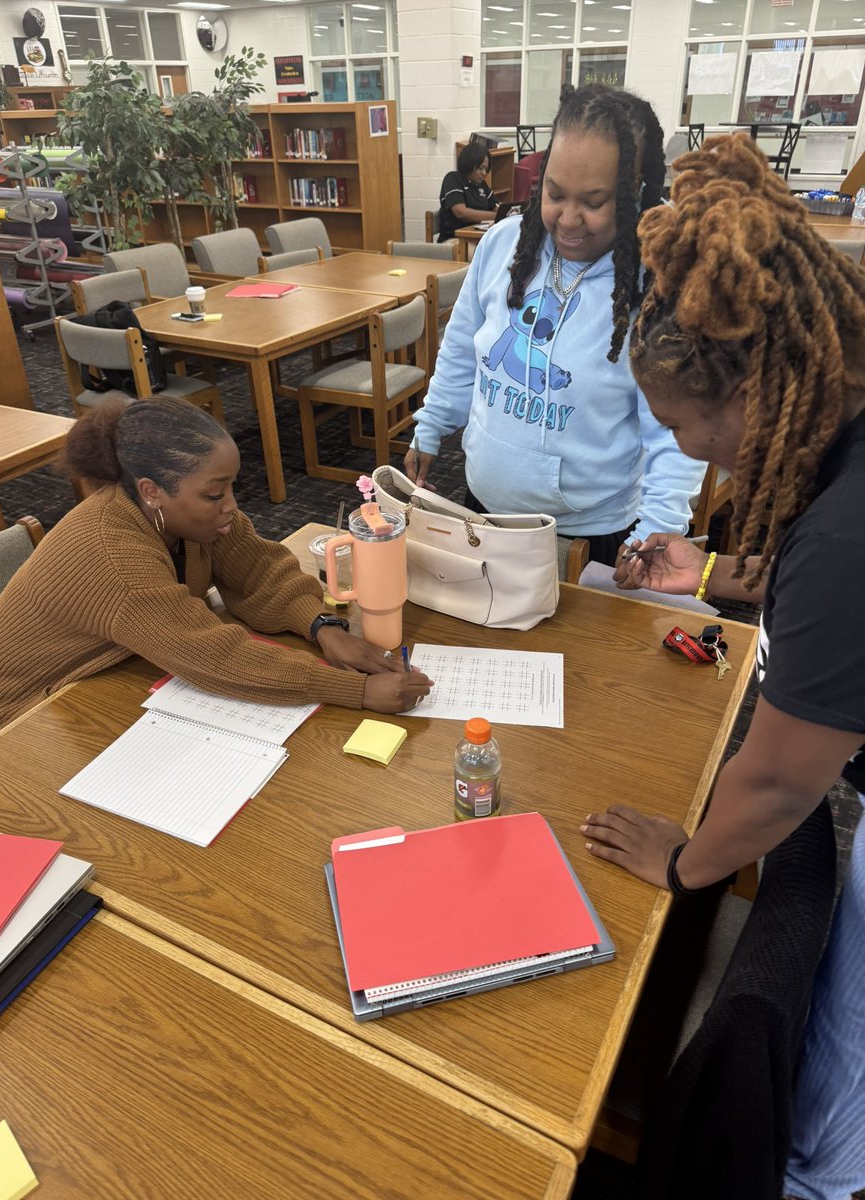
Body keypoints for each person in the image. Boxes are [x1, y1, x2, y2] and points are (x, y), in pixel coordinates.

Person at [582, 133, 865, 1200]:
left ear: (754, 385)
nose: (691, 451)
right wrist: (720, 575)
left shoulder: (846, 541)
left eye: (682, 424)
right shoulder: (841, 424)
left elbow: (786, 781)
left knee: (826, 1149)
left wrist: (684, 863)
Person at [0, 397, 431, 751]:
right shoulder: (113, 555)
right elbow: (212, 656)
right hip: (13, 723)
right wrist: (358, 690)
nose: (229, 505)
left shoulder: (184, 515)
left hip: (98, 674)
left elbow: (259, 572)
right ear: (152, 491)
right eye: (214, 493)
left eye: (231, 486)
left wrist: (322, 625)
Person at [408, 85, 707, 568]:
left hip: (590, 536)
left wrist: (657, 531)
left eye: (594, 201)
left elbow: (675, 434)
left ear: (636, 194)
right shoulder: (504, 245)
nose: (568, 219)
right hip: (484, 509)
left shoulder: (658, 284)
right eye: (554, 193)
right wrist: (431, 426)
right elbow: (463, 348)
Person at [437, 142, 498, 243]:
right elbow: (461, 212)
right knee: (479, 255)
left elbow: (497, 207)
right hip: (454, 239)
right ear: (469, 164)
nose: (484, 173)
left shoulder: (482, 185)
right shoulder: (453, 179)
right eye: (480, 168)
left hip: (478, 237)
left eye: (486, 169)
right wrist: (496, 216)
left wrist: (505, 212)